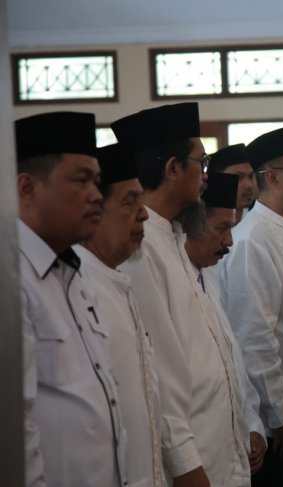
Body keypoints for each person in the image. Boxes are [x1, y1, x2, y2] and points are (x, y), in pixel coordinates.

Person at [113, 102, 251, 486]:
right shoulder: (141, 248)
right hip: (192, 465)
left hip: (219, 450)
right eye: (201, 164)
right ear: (173, 169)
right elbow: (159, 373)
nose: (206, 177)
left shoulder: (173, 238)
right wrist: (187, 465)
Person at [17, 112, 127, 486]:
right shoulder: (12, 279)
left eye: (97, 181)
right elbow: (15, 425)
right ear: (27, 188)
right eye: (81, 180)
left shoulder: (74, 270)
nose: (97, 194)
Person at [220, 123, 283, 487]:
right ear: (273, 177)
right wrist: (280, 413)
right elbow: (255, 336)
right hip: (281, 422)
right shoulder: (253, 240)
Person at [75, 142, 164, 487]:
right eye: (130, 202)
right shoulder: (81, 286)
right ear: (95, 209)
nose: (143, 214)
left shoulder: (117, 279)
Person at [181, 172, 268, 479]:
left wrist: (253, 424)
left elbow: (233, 363)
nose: (229, 241)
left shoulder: (210, 275)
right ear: (191, 226)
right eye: (222, 228)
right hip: (198, 461)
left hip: (233, 452)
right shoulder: (172, 281)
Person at [208, 143, 258, 224]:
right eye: (238, 177)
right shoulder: (204, 221)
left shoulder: (258, 220)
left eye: (251, 176)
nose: (249, 185)